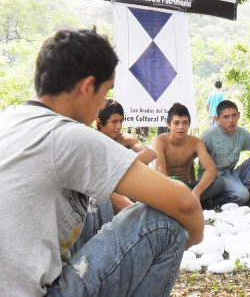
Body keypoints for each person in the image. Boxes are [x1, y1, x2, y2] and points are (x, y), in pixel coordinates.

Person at [0, 29, 204, 296]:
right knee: (165, 223)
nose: (102, 105)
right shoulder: (66, 135)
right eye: (105, 91)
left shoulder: (9, 119)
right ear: (87, 87)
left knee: (96, 205)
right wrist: (192, 238)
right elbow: (184, 202)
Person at [201, 100, 250, 207]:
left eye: (234, 115)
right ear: (217, 119)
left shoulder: (241, 133)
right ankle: (212, 201)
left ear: (238, 115)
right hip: (213, 177)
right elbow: (190, 156)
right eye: (226, 117)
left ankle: (247, 194)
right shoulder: (209, 135)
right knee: (242, 196)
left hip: (230, 174)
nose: (231, 120)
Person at [152, 102, 225, 207]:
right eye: (176, 123)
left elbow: (211, 169)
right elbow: (159, 169)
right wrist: (173, 190)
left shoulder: (196, 143)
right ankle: (192, 202)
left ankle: (188, 200)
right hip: (166, 187)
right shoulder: (159, 141)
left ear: (189, 125)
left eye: (185, 123)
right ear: (168, 124)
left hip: (187, 188)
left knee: (219, 182)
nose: (181, 127)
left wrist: (197, 191)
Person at [95, 99, 156, 215]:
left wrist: (122, 164)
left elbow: (150, 154)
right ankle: (137, 215)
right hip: (106, 193)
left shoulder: (124, 139)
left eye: (121, 121)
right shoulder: (92, 141)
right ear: (99, 122)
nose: (119, 126)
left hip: (129, 188)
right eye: (114, 122)